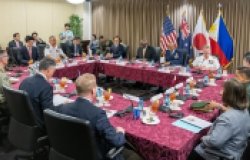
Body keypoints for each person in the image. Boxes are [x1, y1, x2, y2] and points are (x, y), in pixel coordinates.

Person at [56, 73, 142, 160]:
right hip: (95, 154)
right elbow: (117, 141)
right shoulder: (98, 114)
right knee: (135, 156)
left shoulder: (63, 108)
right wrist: (120, 132)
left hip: (72, 151)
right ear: (93, 91)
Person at [189, 79, 250, 160]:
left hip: (219, 154)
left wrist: (201, 138)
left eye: (223, 90)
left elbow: (214, 142)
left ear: (229, 95)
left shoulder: (227, 118)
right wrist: (220, 106)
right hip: (236, 150)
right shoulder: (244, 110)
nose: (220, 93)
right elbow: (234, 115)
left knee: (190, 150)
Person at [19, 57, 56, 128]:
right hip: (39, 124)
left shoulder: (25, 81)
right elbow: (49, 112)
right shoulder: (46, 87)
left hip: (24, 119)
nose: (53, 74)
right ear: (48, 71)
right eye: (53, 71)